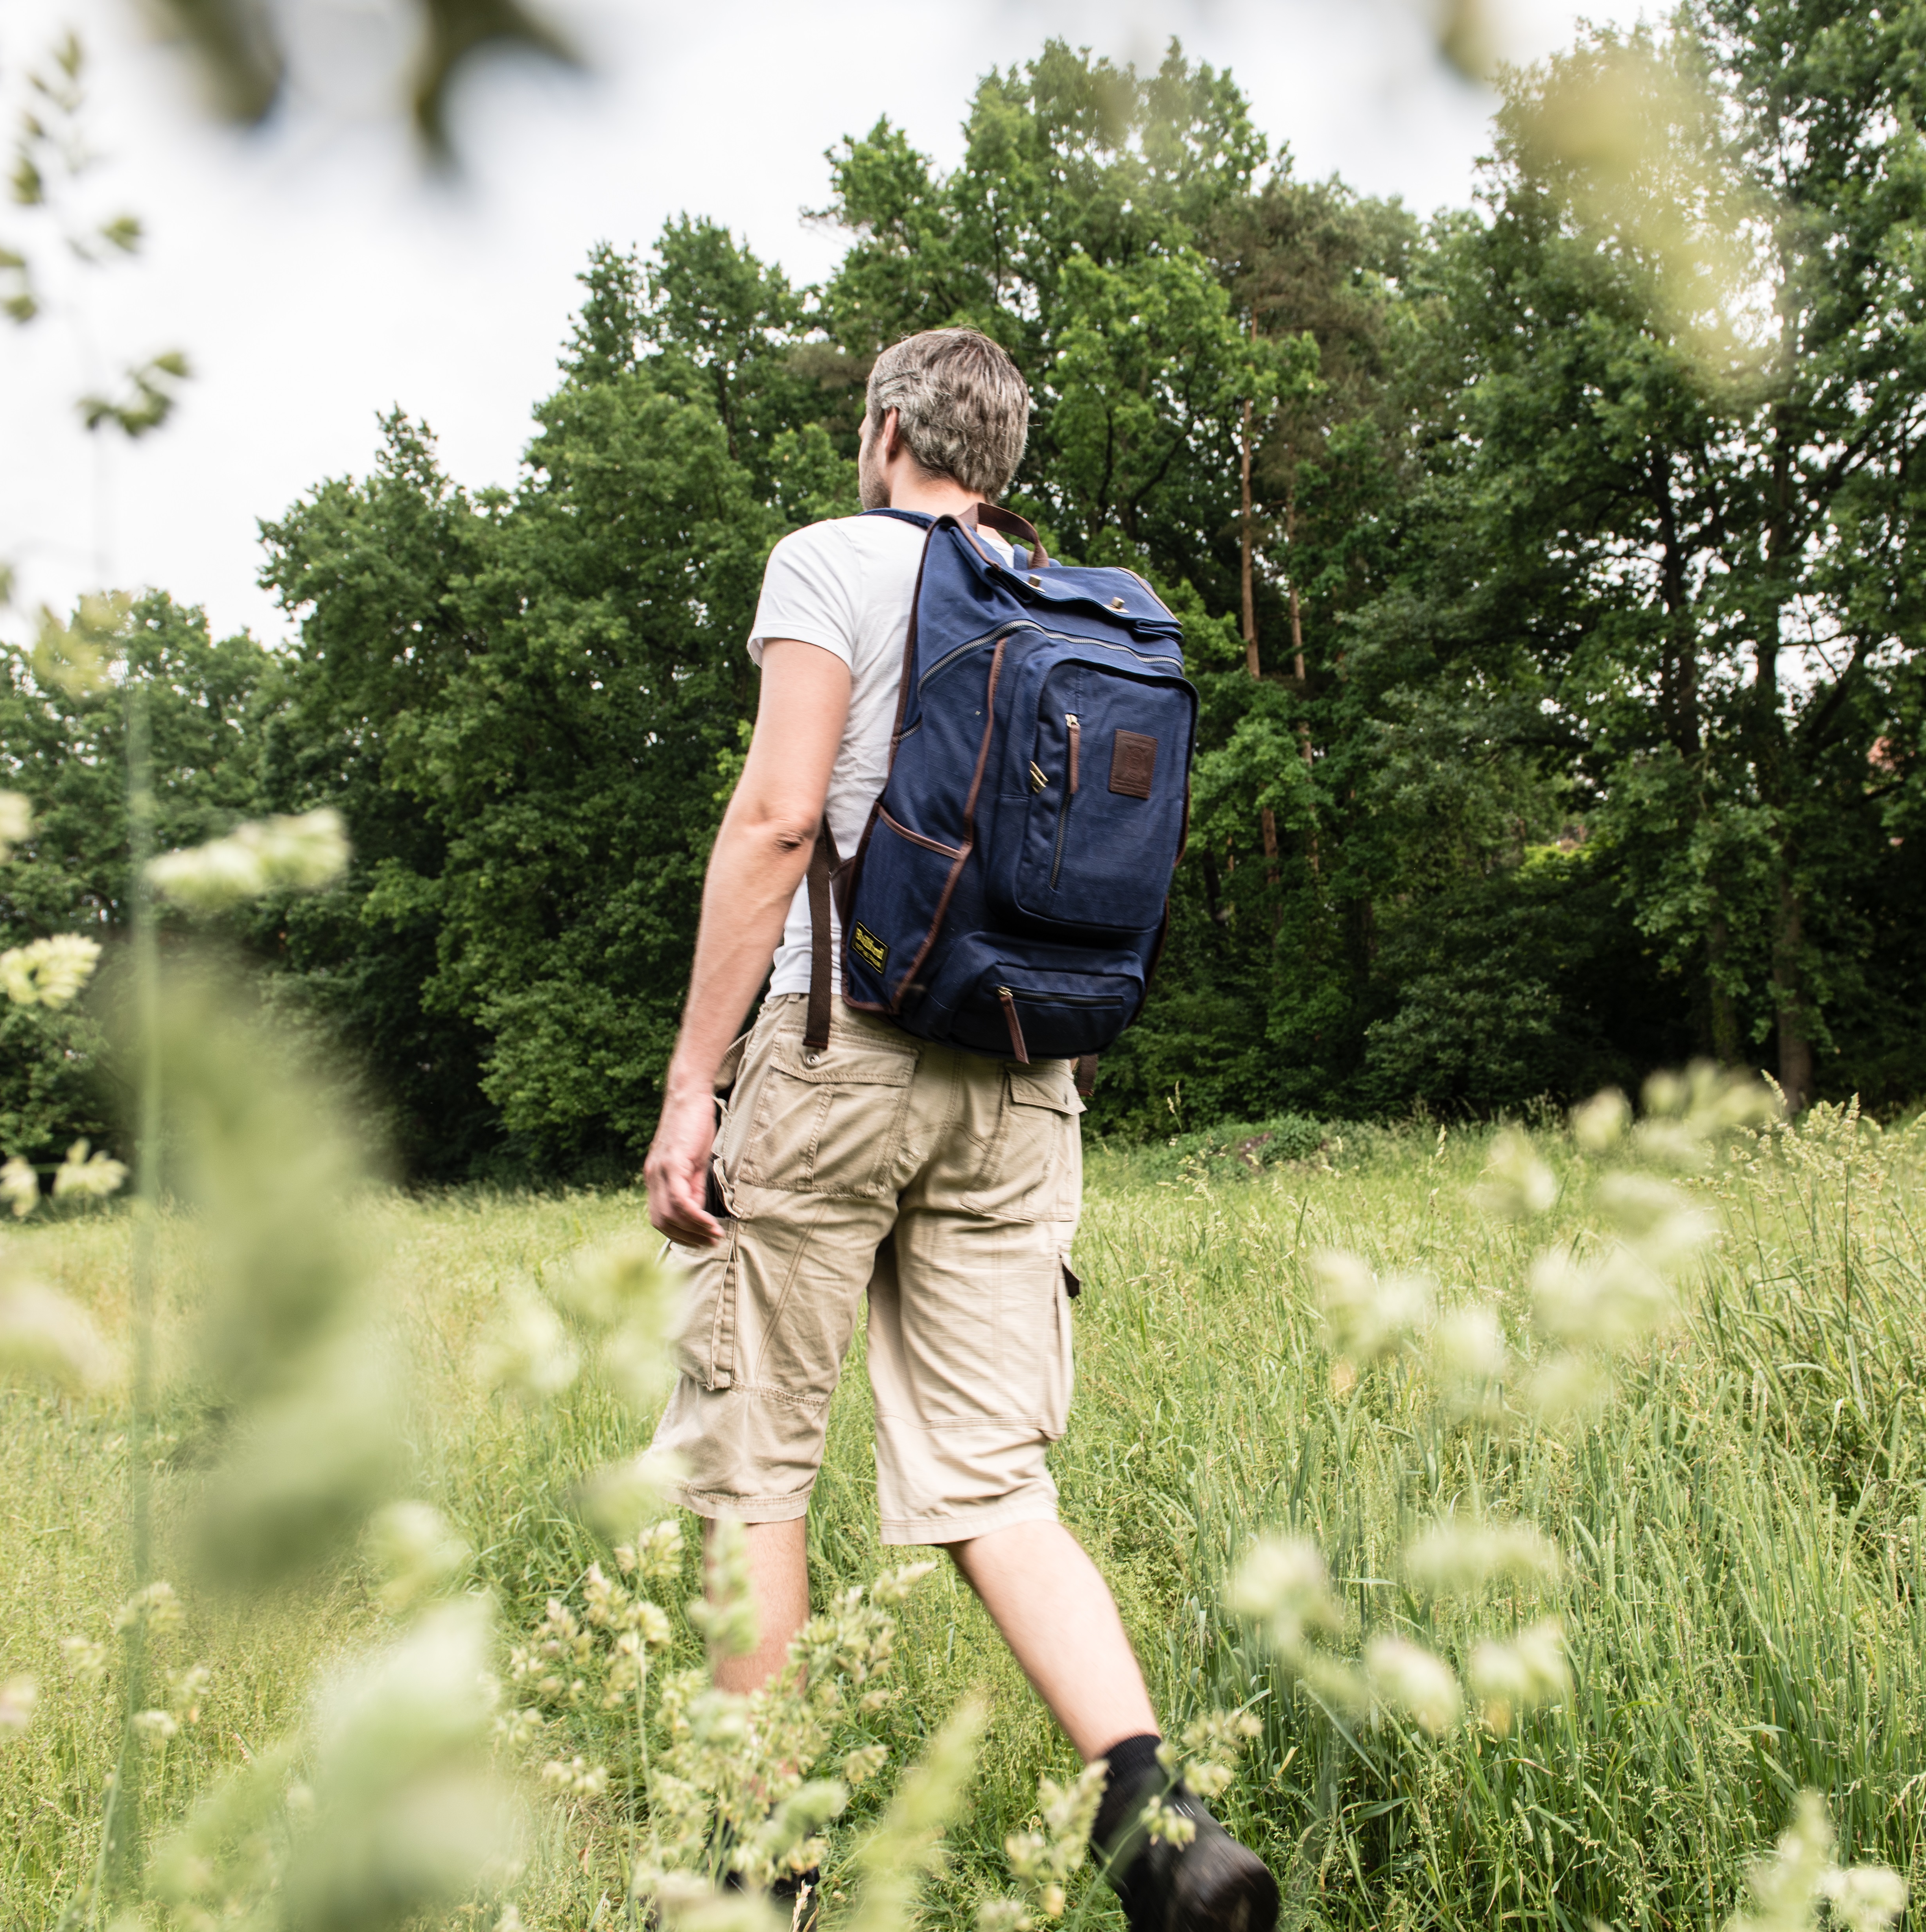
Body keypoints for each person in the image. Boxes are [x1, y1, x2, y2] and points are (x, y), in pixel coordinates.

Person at [640, 328, 1279, 1932]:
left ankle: (754, 1880)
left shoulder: (831, 559)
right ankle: (1159, 1818)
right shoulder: (1073, 604)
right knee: (995, 1483)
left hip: (839, 1055)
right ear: (996, 459)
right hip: (1023, 1078)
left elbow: (783, 817)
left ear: (884, 430)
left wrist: (691, 1083)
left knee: (757, 1471)